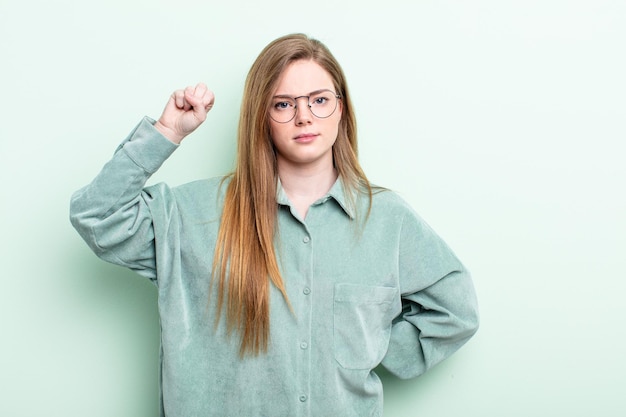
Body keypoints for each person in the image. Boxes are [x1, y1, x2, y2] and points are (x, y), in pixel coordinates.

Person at [70, 33, 479, 417]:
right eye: (283, 104)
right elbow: (97, 215)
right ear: (262, 117)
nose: (304, 116)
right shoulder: (192, 213)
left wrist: (368, 351)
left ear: (341, 108)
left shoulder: (388, 220)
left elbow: (455, 311)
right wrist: (166, 132)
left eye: (319, 100)